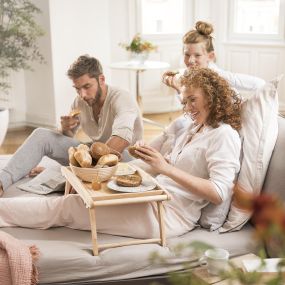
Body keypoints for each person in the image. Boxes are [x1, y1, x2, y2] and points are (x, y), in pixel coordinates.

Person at [0, 68, 242, 239]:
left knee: (67, 208)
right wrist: (153, 158)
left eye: (193, 100)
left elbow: (219, 193)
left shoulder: (224, 135)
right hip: (153, 196)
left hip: (166, 216)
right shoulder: (194, 127)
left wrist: (165, 167)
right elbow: (177, 166)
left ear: (211, 96)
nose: (187, 108)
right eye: (184, 102)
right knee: (77, 199)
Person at [0, 55, 143, 196]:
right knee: (41, 135)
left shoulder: (122, 97)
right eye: (77, 89)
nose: (83, 95)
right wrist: (65, 129)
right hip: (92, 155)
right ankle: (2, 181)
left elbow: (122, 137)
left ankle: (68, 174)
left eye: (87, 86)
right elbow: (67, 141)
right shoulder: (80, 102)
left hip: (124, 159)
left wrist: (80, 169)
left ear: (101, 79)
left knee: (112, 153)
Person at [162, 21, 265, 94]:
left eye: (197, 55)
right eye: (187, 54)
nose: (190, 60)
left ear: (210, 56)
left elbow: (260, 84)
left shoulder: (219, 76)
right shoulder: (187, 73)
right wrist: (172, 81)